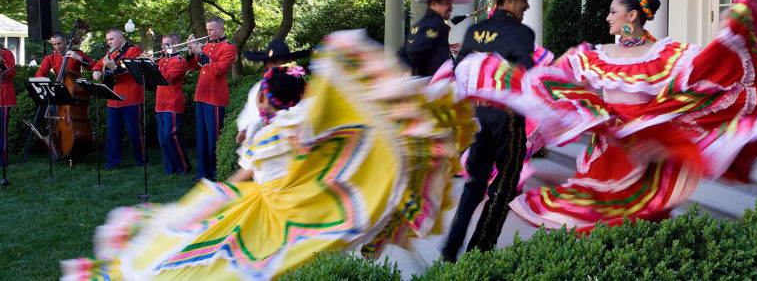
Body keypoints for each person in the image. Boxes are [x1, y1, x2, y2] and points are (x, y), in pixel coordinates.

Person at [61, 30, 475, 280]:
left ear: (268, 103)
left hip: (269, 204)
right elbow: (329, 111)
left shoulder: (268, 140)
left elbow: (239, 179)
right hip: (305, 200)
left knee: (212, 251)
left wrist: (209, 202)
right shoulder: (305, 126)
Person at [448, 0, 757, 233]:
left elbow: (708, 68)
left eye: (613, 12)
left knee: (641, 211)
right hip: (610, 143)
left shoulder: (667, 53)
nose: (608, 17)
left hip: (648, 141)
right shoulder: (596, 54)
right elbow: (554, 77)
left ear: (633, 16)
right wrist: (510, 81)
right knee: (595, 209)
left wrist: (733, 26)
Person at [441, 0, 560, 263]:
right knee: (503, 188)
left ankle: (450, 249)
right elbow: (524, 76)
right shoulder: (521, 33)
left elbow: (459, 71)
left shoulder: (472, 31)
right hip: (507, 119)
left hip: (477, 117)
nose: (527, 6)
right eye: (524, 0)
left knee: (475, 183)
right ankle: (478, 254)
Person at [186, 16, 237, 181]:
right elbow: (192, 66)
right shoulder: (207, 46)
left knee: (214, 136)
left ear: (221, 29)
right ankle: (202, 172)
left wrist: (200, 53)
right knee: (201, 136)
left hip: (215, 97)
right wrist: (190, 51)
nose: (209, 33)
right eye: (207, 30)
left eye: (212, 30)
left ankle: (215, 172)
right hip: (201, 95)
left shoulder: (229, 48)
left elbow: (218, 70)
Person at [234, 39, 310, 145]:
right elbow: (249, 112)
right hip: (261, 143)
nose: (281, 65)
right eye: (276, 62)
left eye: (285, 61)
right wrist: (245, 128)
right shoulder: (257, 89)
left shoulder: (298, 86)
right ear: (268, 65)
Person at [91, 28, 144, 169]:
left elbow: (131, 69)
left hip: (130, 96)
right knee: (112, 132)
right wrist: (96, 70)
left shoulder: (134, 49)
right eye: (108, 40)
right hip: (112, 98)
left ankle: (141, 159)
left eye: (112, 39)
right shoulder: (110, 52)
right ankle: (112, 162)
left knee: (134, 132)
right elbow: (99, 63)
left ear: (120, 38)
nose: (109, 42)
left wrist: (114, 67)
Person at [398, 0, 475, 76]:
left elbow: (402, 54)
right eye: (447, 3)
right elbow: (415, 50)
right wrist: (417, 74)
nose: (451, 8)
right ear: (434, 4)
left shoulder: (417, 25)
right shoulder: (436, 24)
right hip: (432, 83)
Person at [155, 34, 190, 175]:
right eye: (162, 45)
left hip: (173, 102)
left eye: (166, 44)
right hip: (160, 102)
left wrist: (155, 67)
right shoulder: (162, 60)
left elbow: (168, 78)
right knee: (162, 138)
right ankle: (170, 167)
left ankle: (183, 166)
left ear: (175, 44)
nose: (163, 47)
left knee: (171, 135)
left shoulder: (180, 61)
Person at [1, 44, 15, 174]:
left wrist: (1, 63)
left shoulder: (6, 53)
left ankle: (2, 160)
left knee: (1, 131)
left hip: (3, 98)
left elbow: (10, 74)